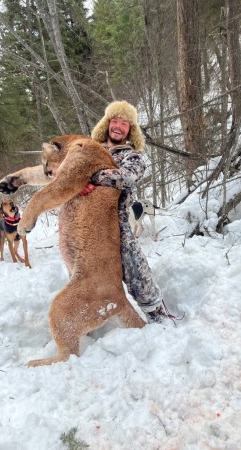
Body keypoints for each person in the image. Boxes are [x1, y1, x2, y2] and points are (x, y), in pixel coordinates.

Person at [81, 100, 174, 323]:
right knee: (82, 270)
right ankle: (88, 315)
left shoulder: (132, 157)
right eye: (115, 120)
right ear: (107, 123)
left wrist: (92, 178)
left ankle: (156, 312)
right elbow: (68, 172)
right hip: (86, 221)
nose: (118, 126)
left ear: (130, 130)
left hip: (116, 221)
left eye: (125, 123)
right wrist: (78, 182)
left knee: (135, 267)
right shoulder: (89, 149)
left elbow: (127, 177)